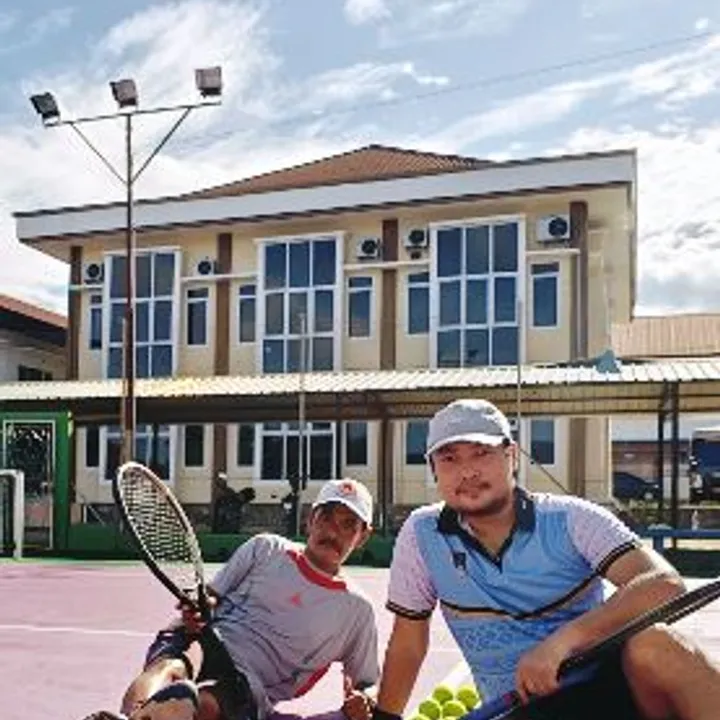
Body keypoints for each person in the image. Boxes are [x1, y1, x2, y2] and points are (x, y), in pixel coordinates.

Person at [373, 399, 720, 720]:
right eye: (450, 459)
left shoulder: (572, 518)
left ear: (512, 456)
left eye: (481, 453)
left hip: (609, 691)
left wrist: (561, 643)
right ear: (433, 468)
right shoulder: (420, 534)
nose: (467, 472)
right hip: (521, 710)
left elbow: (664, 584)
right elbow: (408, 643)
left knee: (656, 643)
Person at [84, 478, 380, 720]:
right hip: (209, 639)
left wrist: (365, 699)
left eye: (348, 524)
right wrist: (197, 610)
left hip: (248, 684)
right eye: (326, 518)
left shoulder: (357, 611)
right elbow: (211, 597)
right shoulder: (266, 548)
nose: (333, 531)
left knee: (204, 704)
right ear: (311, 519)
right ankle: (132, 717)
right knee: (170, 668)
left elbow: (367, 683)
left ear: (363, 536)